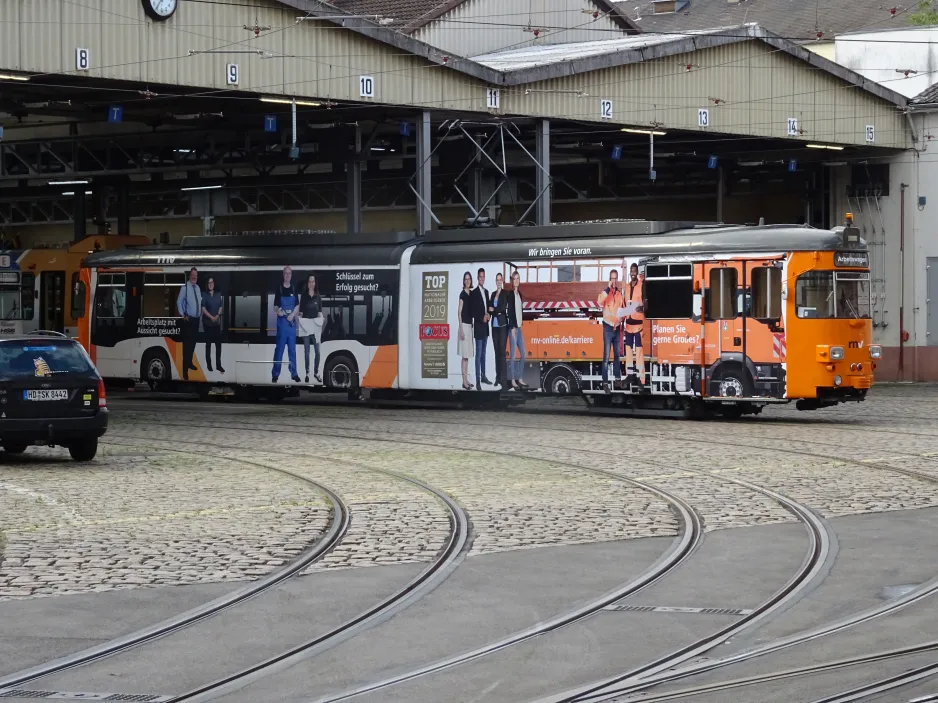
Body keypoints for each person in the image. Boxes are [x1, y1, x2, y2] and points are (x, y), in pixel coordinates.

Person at [272, 266, 301, 383]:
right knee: (279, 350)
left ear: (291, 275)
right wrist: (278, 311)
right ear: (283, 275)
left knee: (292, 350)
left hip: (291, 324)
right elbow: (275, 306)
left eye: (289, 273)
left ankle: (294, 374)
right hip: (282, 324)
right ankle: (275, 374)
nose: (287, 275)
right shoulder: (279, 289)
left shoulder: (294, 289)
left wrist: (293, 314)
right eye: (285, 273)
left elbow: (298, 305)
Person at [598, 269, 624, 393]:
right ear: (609, 279)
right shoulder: (605, 293)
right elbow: (599, 302)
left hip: (616, 328)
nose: (613, 281)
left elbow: (622, 309)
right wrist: (607, 290)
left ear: (617, 279)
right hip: (608, 328)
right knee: (606, 357)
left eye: (615, 278)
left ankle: (617, 379)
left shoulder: (619, 294)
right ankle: (605, 383)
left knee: (617, 356)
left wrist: (621, 318)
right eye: (612, 278)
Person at [176, 267, 202, 381]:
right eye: (193, 274)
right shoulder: (184, 288)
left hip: (196, 320)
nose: (194, 276)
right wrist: (183, 314)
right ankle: (185, 371)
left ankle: (190, 362)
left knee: (193, 344)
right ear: (190, 275)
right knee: (186, 346)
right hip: (188, 320)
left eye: (196, 275)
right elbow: (179, 301)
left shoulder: (198, 288)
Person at [298, 274, 324, 383]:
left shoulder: (318, 297)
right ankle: (307, 373)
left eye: (313, 282)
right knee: (307, 352)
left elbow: (319, 313)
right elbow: (301, 312)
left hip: (315, 328)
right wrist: (298, 318)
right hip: (305, 328)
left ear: (315, 283)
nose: (311, 284)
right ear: (307, 283)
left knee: (318, 352)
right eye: (309, 282)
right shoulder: (304, 297)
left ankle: (316, 372)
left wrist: (322, 319)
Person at [505, 270, 528, 390]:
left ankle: (520, 378)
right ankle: (513, 380)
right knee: (513, 355)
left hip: (519, 327)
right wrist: (512, 326)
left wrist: (519, 324)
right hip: (513, 328)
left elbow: (519, 311)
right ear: (512, 281)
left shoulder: (519, 294)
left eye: (518, 279)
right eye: (514, 279)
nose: (516, 281)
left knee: (523, 353)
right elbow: (510, 312)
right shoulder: (510, 294)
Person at [470, 268, 492, 390]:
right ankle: (478, 381)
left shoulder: (487, 292)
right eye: (480, 277)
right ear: (477, 278)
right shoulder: (474, 293)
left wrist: (489, 315)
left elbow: (488, 308)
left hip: (486, 328)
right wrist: (481, 318)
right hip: (478, 327)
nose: (482, 279)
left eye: (483, 277)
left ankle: (484, 377)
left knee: (483, 353)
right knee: (478, 355)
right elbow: (473, 311)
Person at [623, 263, 645, 384]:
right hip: (628, 325)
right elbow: (624, 303)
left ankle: (641, 379)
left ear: (637, 272)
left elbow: (646, 302)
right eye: (631, 271)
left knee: (639, 352)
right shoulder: (626, 287)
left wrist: (641, 308)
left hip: (638, 325)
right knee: (629, 352)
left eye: (634, 271)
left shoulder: (642, 286)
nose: (632, 273)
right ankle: (630, 375)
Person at [488, 272, 509, 390]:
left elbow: (502, 308)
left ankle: (504, 381)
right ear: (496, 281)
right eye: (497, 280)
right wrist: (495, 311)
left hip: (502, 326)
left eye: (500, 280)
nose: (499, 281)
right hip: (494, 327)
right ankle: (497, 378)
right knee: (496, 353)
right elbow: (489, 309)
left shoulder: (505, 294)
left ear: (502, 281)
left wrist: (494, 310)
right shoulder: (492, 294)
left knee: (502, 352)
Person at [201, 276, 224, 374]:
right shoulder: (204, 295)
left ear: (214, 284)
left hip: (216, 324)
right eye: (209, 283)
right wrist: (211, 317)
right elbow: (203, 308)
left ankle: (218, 366)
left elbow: (221, 306)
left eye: (212, 282)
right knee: (208, 345)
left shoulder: (218, 295)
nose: (210, 284)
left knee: (218, 346)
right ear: (207, 285)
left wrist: (217, 315)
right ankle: (209, 365)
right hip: (207, 324)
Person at [457, 271, 474, 390]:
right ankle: (463, 381)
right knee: (464, 356)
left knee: (467, 356)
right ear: (464, 281)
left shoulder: (471, 294)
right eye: (466, 279)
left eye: (469, 279)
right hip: (463, 326)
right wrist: (461, 330)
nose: (467, 281)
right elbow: (459, 312)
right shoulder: (462, 294)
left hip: (470, 326)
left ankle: (466, 379)